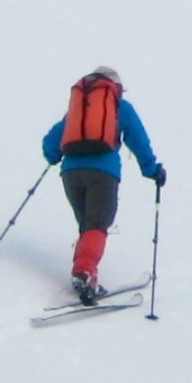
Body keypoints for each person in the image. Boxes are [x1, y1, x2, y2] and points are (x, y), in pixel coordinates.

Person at [41, 65, 164, 300]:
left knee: (87, 226)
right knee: (97, 225)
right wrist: (152, 170)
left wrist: (53, 156)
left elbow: (50, 142)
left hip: (71, 174)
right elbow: (138, 140)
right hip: (103, 174)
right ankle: (84, 273)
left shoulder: (76, 113)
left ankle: (85, 273)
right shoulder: (121, 108)